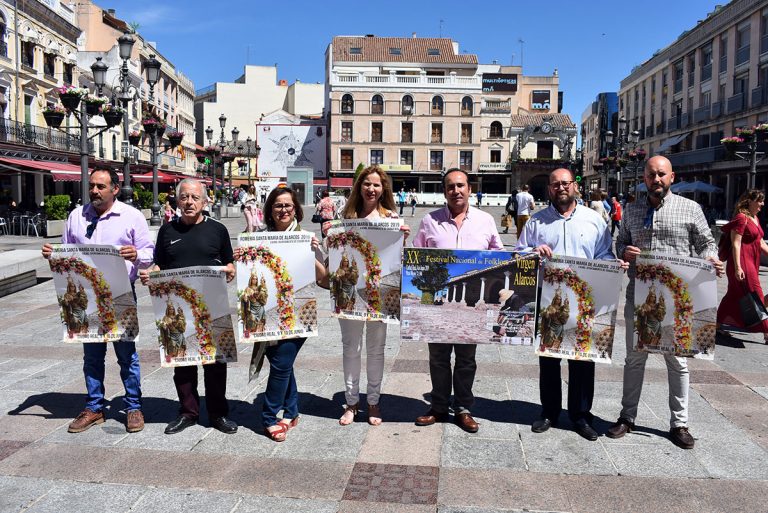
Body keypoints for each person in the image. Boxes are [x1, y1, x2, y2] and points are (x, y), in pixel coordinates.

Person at [608, 156, 723, 449]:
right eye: (650, 175)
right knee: (634, 360)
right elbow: (619, 245)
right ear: (644, 179)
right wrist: (625, 252)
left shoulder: (690, 209)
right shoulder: (632, 210)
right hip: (640, 299)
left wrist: (711, 257)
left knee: (678, 362)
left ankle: (679, 424)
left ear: (672, 176)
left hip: (679, 302)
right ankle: (627, 417)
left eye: (661, 174)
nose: (656, 179)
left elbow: (707, 243)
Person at [41, 168, 153, 434]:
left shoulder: (131, 216)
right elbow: (67, 252)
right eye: (91, 186)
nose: (94, 191)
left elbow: (149, 254)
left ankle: (133, 406)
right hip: (86, 299)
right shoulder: (76, 217)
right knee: (92, 357)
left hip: (121, 295)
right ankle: (94, 407)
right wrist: (53, 254)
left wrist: (136, 254)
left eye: (101, 186)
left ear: (115, 189)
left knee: (127, 356)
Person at [516, 168, 621, 441]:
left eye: (565, 183)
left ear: (575, 186)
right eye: (555, 184)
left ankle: (580, 414)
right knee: (549, 359)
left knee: (583, 361)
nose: (560, 188)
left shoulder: (594, 220)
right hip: (549, 301)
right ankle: (549, 411)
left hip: (584, 301)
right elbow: (519, 254)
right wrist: (532, 252)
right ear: (548, 189)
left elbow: (605, 254)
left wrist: (614, 265)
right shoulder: (536, 222)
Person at [140, 178, 238, 435]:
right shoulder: (167, 231)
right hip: (177, 309)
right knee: (182, 363)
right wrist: (151, 273)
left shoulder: (218, 230)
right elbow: (159, 264)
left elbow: (230, 264)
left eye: (195, 198)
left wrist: (230, 269)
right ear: (177, 200)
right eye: (184, 197)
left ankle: (218, 414)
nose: (189, 202)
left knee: (216, 363)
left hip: (212, 306)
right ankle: (188, 412)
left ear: (205, 202)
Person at [413, 168, 503, 433]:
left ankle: (464, 408)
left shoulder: (485, 220)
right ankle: (439, 406)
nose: (456, 191)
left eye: (461, 186)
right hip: (438, 308)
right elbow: (417, 256)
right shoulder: (429, 220)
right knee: (438, 358)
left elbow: (497, 252)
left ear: (470, 189)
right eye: (451, 186)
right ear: (445, 191)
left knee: (466, 360)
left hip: (471, 312)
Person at [239, 186, 328, 442]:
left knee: (280, 363)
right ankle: (292, 410)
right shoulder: (260, 237)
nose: (283, 210)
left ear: (296, 209)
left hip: (299, 312)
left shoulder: (306, 237)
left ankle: (268, 417)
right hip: (266, 310)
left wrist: (312, 252)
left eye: (288, 205)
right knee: (283, 363)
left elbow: (323, 279)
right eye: (278, 205)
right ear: (269, 210)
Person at [336, 166, 410, 427]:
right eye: (367, 184)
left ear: (383, 189)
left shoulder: (391, 217)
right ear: (359, 187)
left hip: (380, 291)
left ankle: (374, 401)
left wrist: (404, 239)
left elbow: (397, 258)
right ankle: (352, 402)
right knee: (351, 348)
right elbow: (336, 253)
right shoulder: (345, 216)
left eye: (376, 185)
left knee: (376, 349)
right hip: (350, 290)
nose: (371, 189)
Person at [716, 189, 768, 342]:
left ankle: (717, 325)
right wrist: (738, 267)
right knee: (756, 294)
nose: (762, 204)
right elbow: (736, 243)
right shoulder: (741, 218)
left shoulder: (755, 218)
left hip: (752, 262)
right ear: (750, 201)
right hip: (741, 264)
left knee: (732, 296)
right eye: (759, 200)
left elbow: (761, 243)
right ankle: (767, 332)